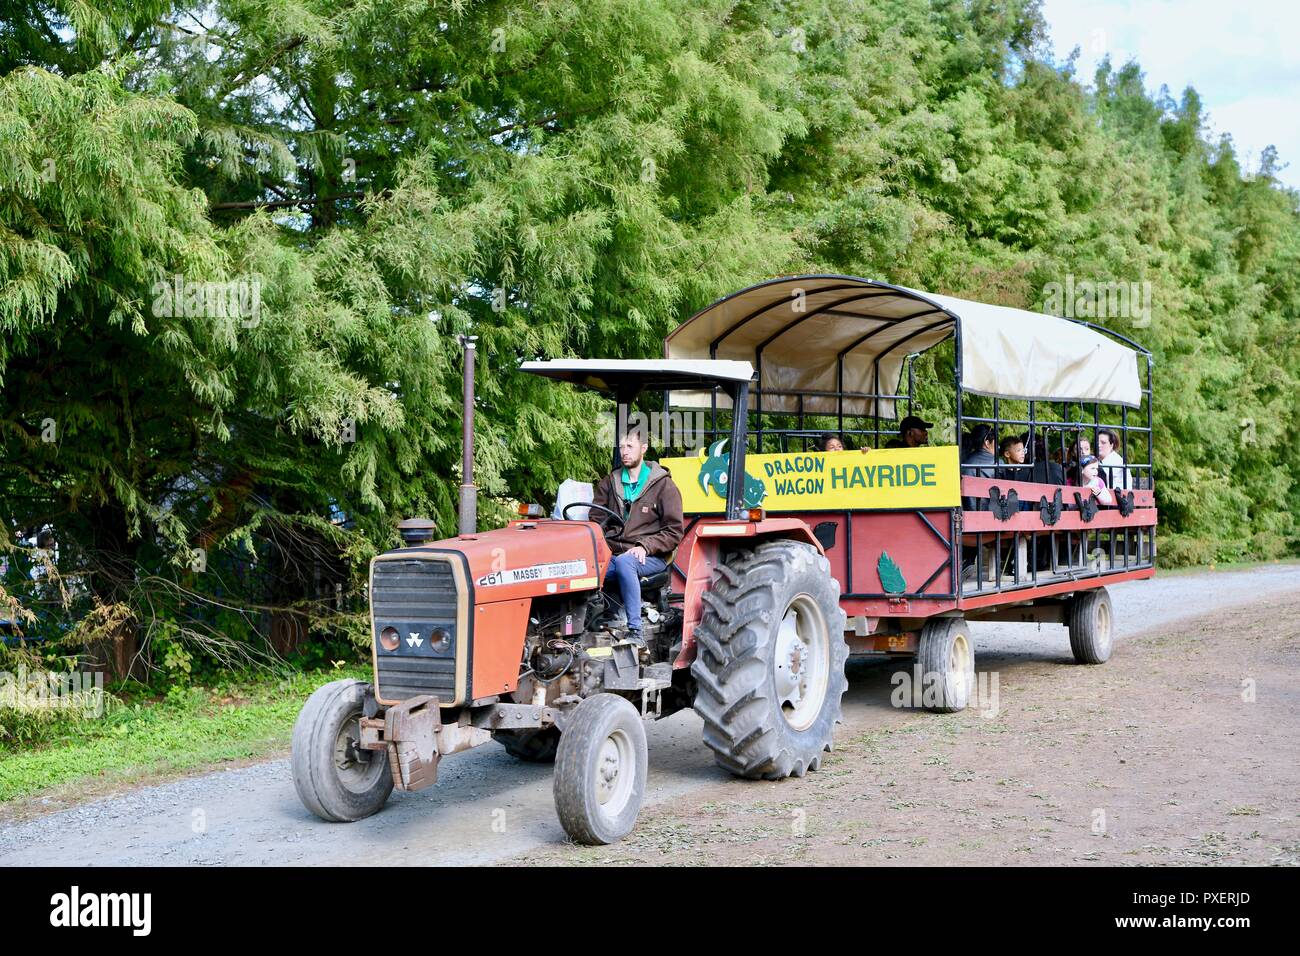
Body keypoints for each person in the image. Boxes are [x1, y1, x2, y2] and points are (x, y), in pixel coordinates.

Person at [591, 429, 684, 636]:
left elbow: (674, 531)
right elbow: (596, 520)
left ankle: (636, 631)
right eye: (622, 447)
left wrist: (645, 546)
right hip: (614, 552)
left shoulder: (663, 485)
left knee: (626, 561)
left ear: (643, 449)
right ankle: (595, 623)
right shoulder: (610, 482)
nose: (624, 451)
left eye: (630, 446)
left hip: (651, 556)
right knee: (584, 567)